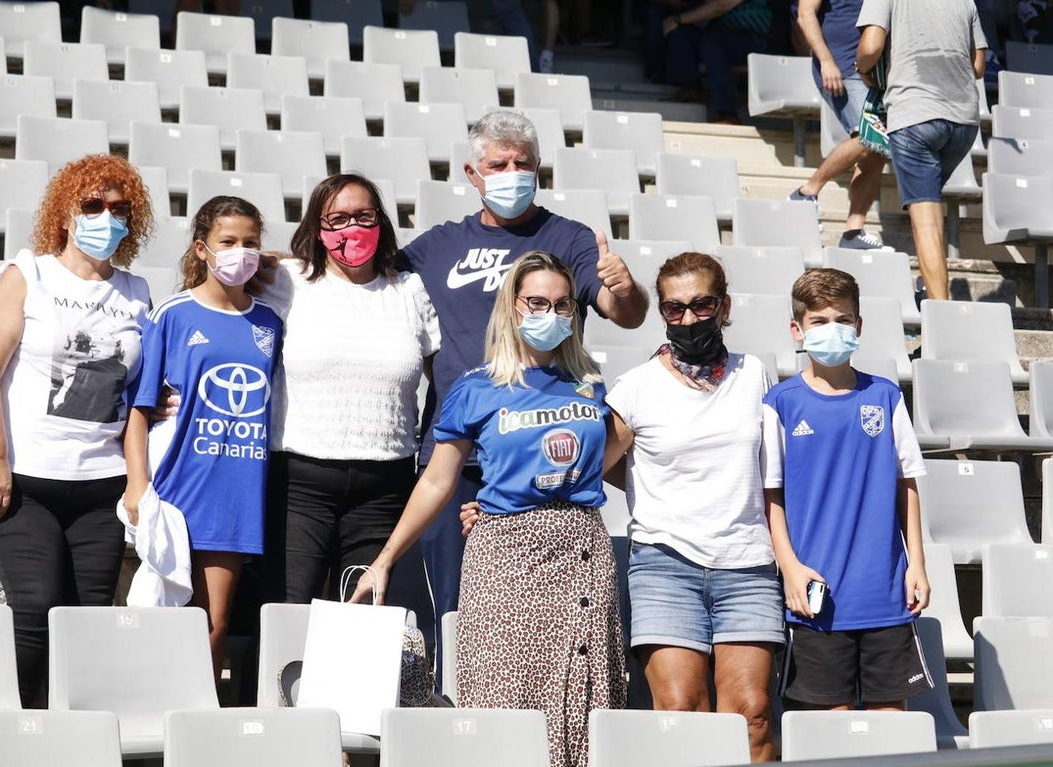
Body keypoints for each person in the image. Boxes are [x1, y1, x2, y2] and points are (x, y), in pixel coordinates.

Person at [351, 252, 627, 767]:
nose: (551, 313)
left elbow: (613, 447)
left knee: (582, 697)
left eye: (563, 304)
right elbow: (436, 480)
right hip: (505, 556)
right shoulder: (476, 388)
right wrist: (386, 558)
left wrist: (550, 492)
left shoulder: (590, 382)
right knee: (504, 691)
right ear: (512, 308)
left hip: (582, 551)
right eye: (537, 303)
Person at [397, 109, 647, 674]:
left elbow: (622, 313)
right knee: (453, 618)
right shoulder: (438, 246)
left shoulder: (571, 238)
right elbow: (359, 278)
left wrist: (625, 288)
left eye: (523, 164)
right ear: (472, 172)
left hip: (542, 462)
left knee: (545, 631)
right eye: (498, 164)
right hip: (458, 459)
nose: (512, 173)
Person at [0, 154, 155, 707]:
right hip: (21, 478)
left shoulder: (138, 291)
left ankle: (72, 735)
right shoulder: (29, 273)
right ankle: (20, 730)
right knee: (33, 609)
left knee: (87, 620)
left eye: (119, 209)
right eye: (92, 206)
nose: (106, 218)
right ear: (66, 215)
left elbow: (141, 383)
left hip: (101, 482)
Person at [606, 252, 783, 762]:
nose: (688, 319)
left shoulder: (756, 376)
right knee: (680, 712)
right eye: (674, 309)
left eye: (702, 305)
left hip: (747, 564)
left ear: (724, 306)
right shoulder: (637, 387)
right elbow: (589, 465)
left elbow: (775, 475)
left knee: (751, 715)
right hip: (665, 567)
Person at [258, 173, 440, 605]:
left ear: (381, 222)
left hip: (385, 487)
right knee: (288, 613)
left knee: (362, 624)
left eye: (363, 216)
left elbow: (445, 377)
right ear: (317, 228)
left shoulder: (410, 290)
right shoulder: (286, 280)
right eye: (337, 219)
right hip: (298, 484)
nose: (351, 228)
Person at [124, 196, 282, 679]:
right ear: (201, 248)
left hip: (236, 493)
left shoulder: (270, 322)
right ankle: (152, 728)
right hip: (177, 488)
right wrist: (137, 483)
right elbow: (138, 407)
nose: (240, 252)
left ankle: (201, 734)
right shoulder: (173, 313)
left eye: (250, 243)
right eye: (228, 242)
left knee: (212, 625)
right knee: (166, 620)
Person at [764, 268, 932, 710]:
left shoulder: (887, 397)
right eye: (819, 321)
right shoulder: (780, 403)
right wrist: (791, 567)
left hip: (885, 593)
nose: (832, 329)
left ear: (859, 327)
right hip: (817, 598)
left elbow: (906, 486)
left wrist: (917, 563)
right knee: (830, 733)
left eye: (842, 319)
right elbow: (771, 497)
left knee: (890, 727)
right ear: (797, 329)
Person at [855, 0, 987, 300]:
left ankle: (941, 315)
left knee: (925, 221)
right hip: (963, 121)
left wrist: (861, 69)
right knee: (927, 210)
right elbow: (978, 67)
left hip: (914, 114)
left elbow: (871, 47)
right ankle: (927, 287)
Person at [790, 0, 887, 250]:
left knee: (877, 149)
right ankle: (806, 192)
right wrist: (825, 61)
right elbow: (804, 14)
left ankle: (854, 231)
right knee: (871, 135)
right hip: (841, 65)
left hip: (876, 69)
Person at [660, 0, 773, 123]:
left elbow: (721, 5)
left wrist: (678, 19)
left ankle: (728, 114)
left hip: (756, 35)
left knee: (712, 43)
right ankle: (693, 90)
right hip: (722, 31)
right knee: (680, 31)